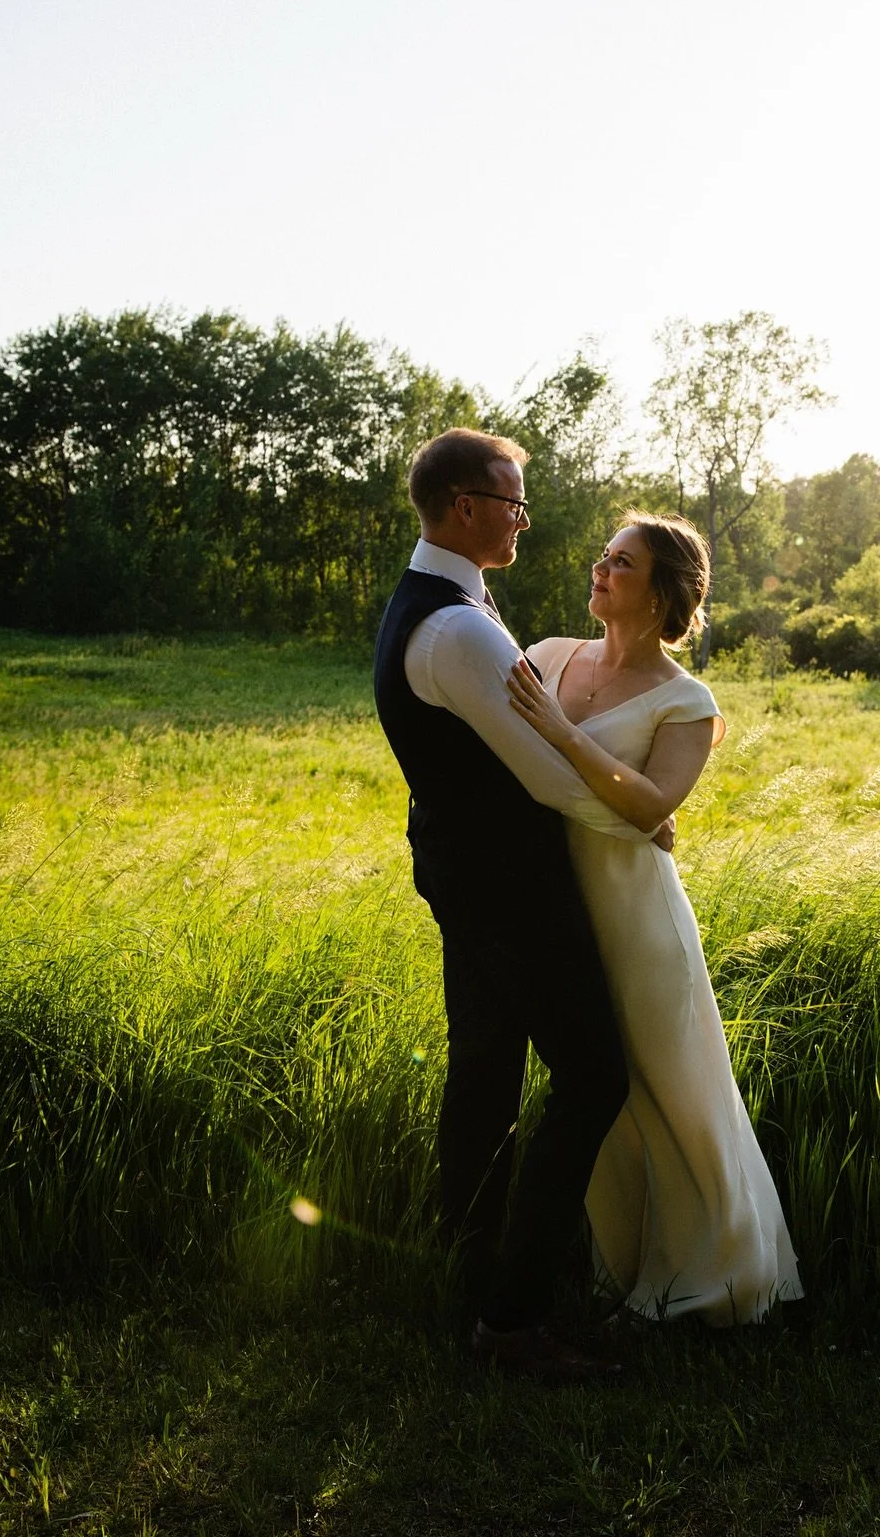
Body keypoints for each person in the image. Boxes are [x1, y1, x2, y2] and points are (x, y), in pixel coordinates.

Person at [373, 427, 664, 1383]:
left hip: (467, 877)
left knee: (488, 1076)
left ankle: (468, 1281)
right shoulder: (457, 628)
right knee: (592, 1077)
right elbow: (543, 774)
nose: (524, 521)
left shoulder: (441, 604)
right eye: (512, 504)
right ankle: (513, 1318)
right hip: (508, 890)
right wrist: (640, 826)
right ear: (466, 508)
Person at [508, 511, 803, 1324]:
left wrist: (568, 738)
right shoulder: (545, 657)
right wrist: (607, 793)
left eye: (623, 563)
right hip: (558, 909)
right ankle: (624, 1267)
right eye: (603, 557)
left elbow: (652, 807)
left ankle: (717, 1276)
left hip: (639, 916)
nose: (600, 570)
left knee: (671, 1084)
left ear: (663, 590)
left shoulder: (687, 700)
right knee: (597, 1092)